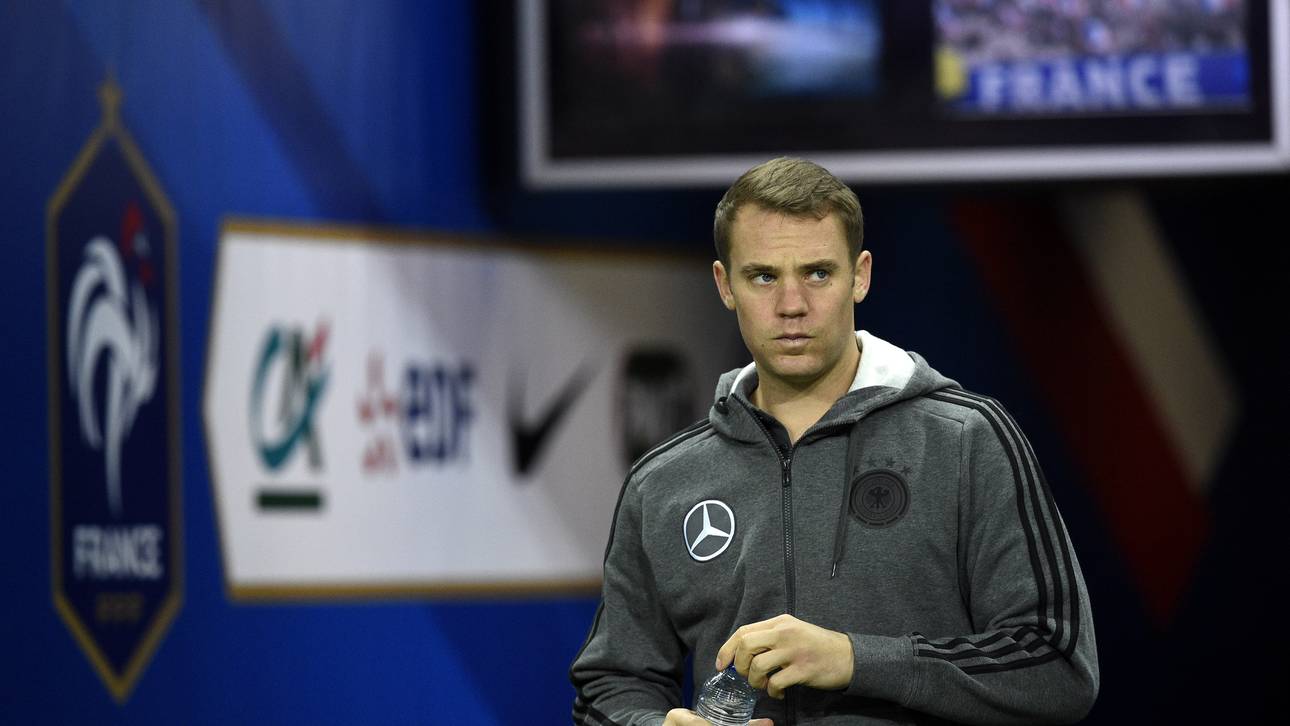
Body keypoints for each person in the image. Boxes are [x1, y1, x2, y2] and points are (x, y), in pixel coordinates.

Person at [570, 157, 1099, 725]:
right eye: (764, 276)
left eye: (818, 273)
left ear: (861, 275)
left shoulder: (966, 441)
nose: (792, 305)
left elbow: (1057, 664)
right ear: (726, 285)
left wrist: (856, 659)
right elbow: (612, 683)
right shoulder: (664, 482)